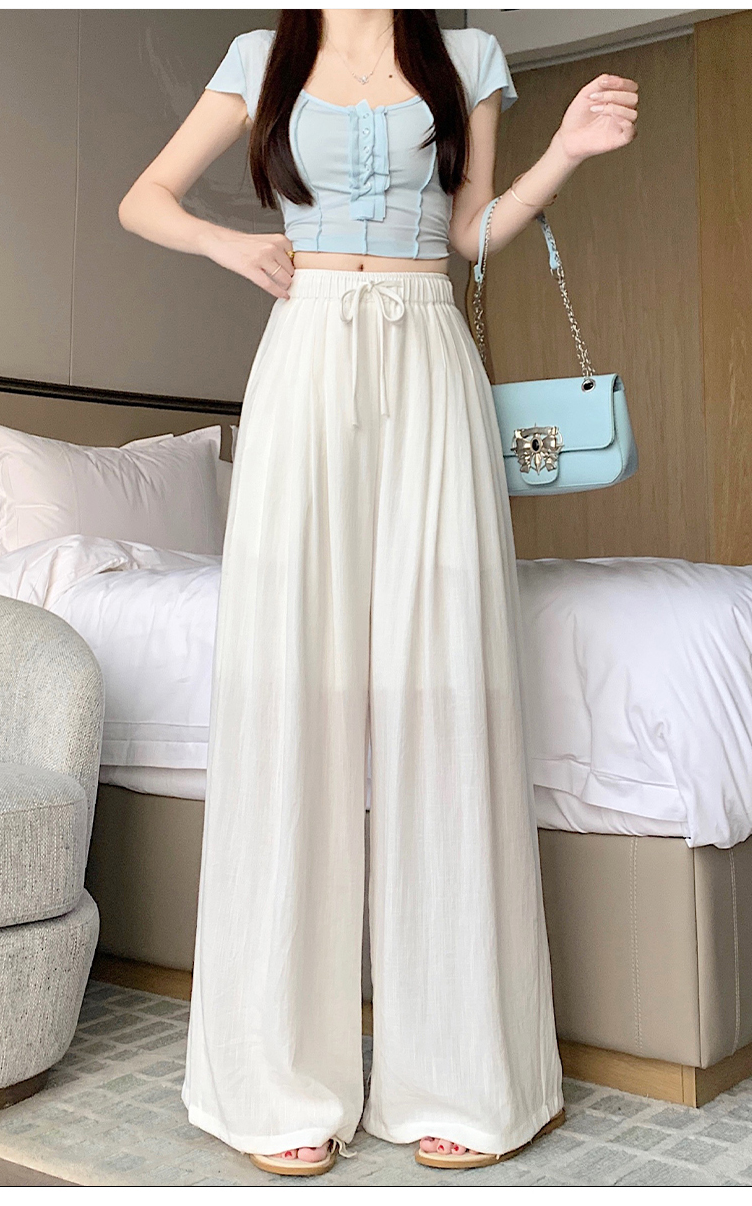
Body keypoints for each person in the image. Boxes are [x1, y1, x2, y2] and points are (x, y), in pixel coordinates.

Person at [118, 8, 638, 1177]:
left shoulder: (466, 60)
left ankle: (462, 1073)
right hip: (303, 356)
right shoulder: (263, 59)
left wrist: (565, 151)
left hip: (428, 351)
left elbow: (470, 232)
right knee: (290, 693)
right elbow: (142, 199)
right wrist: (228, 247)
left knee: (442, 684)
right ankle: (276, 1081)